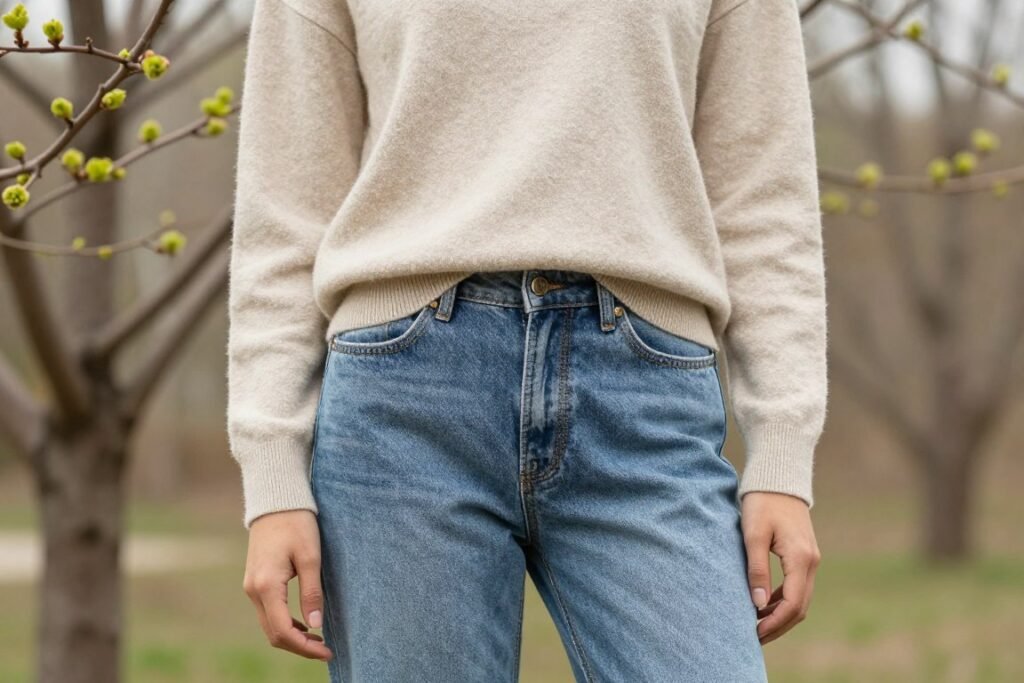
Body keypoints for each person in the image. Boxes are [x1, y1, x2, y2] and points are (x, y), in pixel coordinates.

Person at [227, 0, 827, 681]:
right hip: (404, 406)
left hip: (646, 402)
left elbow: (764, 198)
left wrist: (783, 452)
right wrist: (272, 473)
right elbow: (284, 210)